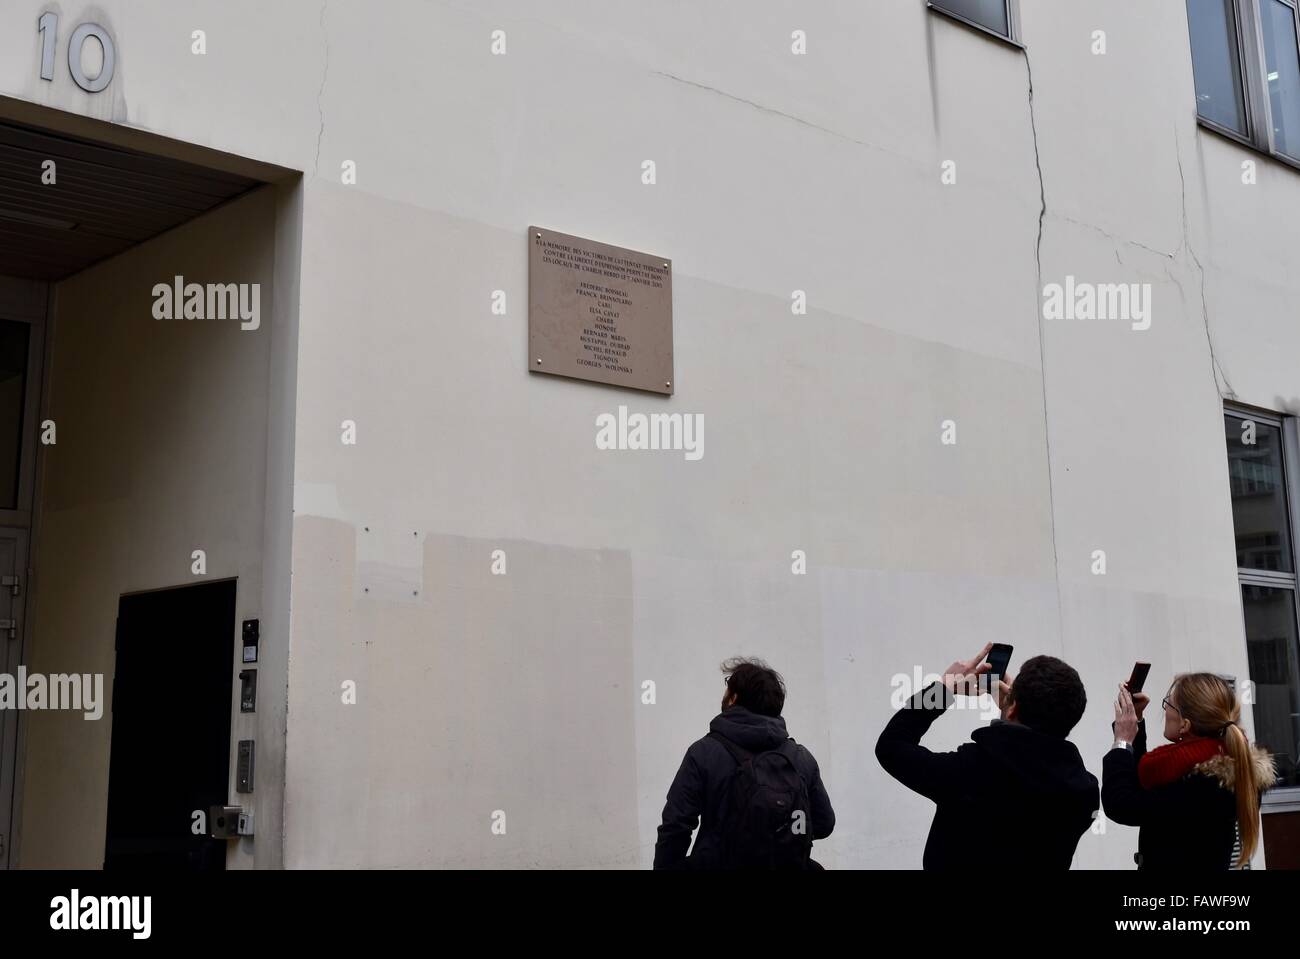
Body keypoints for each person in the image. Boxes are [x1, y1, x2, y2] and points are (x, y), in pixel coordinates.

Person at [875, 643, 1099, 869]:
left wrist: (942, 690)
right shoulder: (1084, 793)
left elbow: (892, 745)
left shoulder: (970, 770)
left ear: (1013, 709)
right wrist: (1012, 711)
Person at [653, 657, 835, 869]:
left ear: (734, 698)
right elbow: (824, 824)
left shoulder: (704, 753)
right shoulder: (801, 759)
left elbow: (676, 826)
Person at [1103, 672, 1276, 869]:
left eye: (1169, 703)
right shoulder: (1223, 769)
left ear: (1185, 724)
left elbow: (1121, 804)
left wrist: (1122, 742)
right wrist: (1137, 724)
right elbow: (1145, 786)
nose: (1165, 708)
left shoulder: (1200, 785)